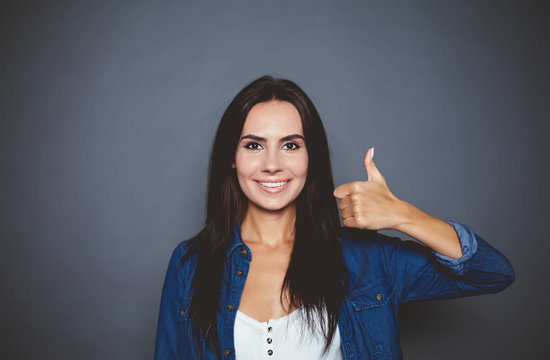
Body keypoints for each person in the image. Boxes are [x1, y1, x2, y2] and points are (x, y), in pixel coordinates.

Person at [154, 75, 515, 360]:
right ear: (232, 158)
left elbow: (493, 273)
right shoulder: (190, 264)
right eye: (254, 145)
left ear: (311, 157)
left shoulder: (367, 260)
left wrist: (402, 215)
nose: (272, 164)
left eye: (291, 145)